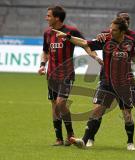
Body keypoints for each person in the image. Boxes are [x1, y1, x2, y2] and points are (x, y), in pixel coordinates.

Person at [52, 17, 135, 150]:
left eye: (114, 30)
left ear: (122, 31)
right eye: (110, 29)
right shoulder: (106, 40)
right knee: (97, 110)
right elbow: (84, 43)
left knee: (127, 114)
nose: (110, 31)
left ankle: (131, 141)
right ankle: (85, 140)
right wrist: (68, 37)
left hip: (124, 84)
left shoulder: (130, 43)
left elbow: (134, 57)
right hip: (107, 83)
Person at [88, 11, 135, 148]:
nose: (124, 20)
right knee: (99, 109)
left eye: (126, 19)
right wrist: (99, 43)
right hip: (107, 76)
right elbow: (94, 44)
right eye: (121, 18)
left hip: (127, 77)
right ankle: (90, 138)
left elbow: (134, 55)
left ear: (128, 23)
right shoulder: (108, 33)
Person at [38, 5, 85, 146]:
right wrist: (42, 65)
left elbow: (84, 43)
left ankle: (70, 134)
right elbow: (45, 52)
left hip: (66, 74)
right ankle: (58, 138)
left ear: (57, 18)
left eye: (48, 16)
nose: (46, 18)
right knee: (54, 105)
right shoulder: (47, 33)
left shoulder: (71, 31)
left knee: (60, 103)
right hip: (51, 75)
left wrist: (95, 57)